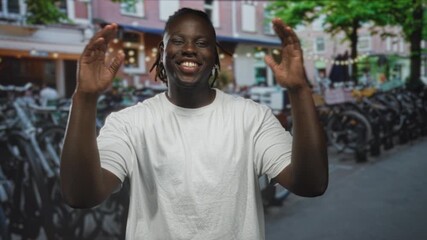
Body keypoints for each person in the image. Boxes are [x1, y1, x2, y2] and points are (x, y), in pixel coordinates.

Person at [60, 8, 328, 239]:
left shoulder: (252, 117)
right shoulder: (130, 122)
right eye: (178, 40)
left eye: (202, 43)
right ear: (163, 51)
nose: (189, 49)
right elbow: (81, 196)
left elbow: (311, 184)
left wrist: (300, 90)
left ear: (215, 55)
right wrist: (84, 97)